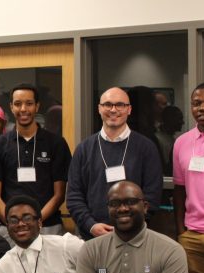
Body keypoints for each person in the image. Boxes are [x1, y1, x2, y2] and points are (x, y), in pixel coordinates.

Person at [67, 87, 162, 240]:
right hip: (92, 237)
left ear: (129, 109)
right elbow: (74, 195)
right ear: (99, 108)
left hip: (135, 236)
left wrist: (129, 226)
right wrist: (90, 225)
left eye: (120, 105)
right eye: (107, 104)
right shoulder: (83, 149)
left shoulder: (146, 147)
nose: (113, 109)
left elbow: (152, 194)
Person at [0, 84, 72, 243]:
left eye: (29, 103)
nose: (23, 109)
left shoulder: (56, 143)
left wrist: (35, 222)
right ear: (11, 107)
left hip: (48, 226)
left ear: (37, 106)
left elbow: (59, 195)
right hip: (10, 229)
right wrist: (14, 222)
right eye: (17, 104)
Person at [174, 82, 204, 273]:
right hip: (192, 238)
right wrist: (182, 232)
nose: (202, 107)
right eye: (197, 103)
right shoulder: (181, 142)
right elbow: (179, 190)